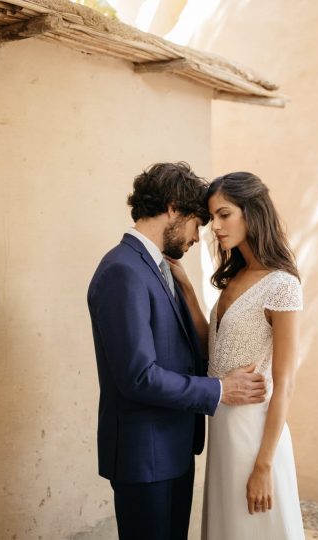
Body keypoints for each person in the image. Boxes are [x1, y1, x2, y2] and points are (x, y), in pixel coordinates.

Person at [87, 162, 268, 540]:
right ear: (173, 208)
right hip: (145, 456)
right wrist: (220, 391)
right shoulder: (123, 270)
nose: (199, 238)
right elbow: (138, 377)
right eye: (196, 223)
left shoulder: (158, 268)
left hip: (171, 450)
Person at [168, 171, 306, 539]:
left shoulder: (282, 285)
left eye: (224, 214)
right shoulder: (234, 278)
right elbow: (211, 348)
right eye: (212, 217)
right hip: (223, 427)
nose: (214, 226)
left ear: (252, 212)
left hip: (255, 435)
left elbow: (286, 383)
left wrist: (264, 465)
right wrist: (184, 286)